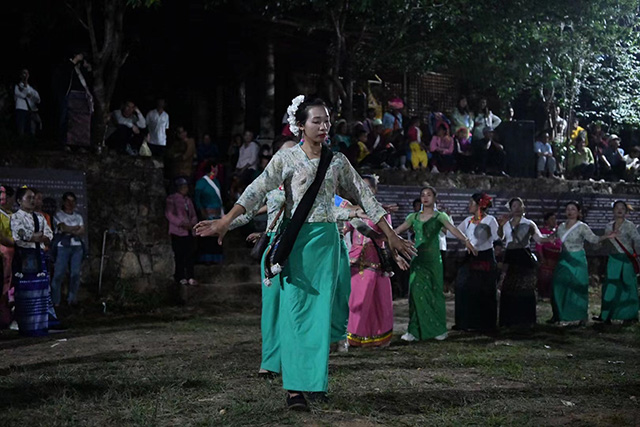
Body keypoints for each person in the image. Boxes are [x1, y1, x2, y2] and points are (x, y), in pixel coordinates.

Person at [194, 96, 415, 411]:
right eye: (316, 120)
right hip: (295, 243)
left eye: (326, 120)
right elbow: (256, 189)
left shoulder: (337, 161)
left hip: (325, 242)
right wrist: (225, 222)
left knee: (319, 315)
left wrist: (391, 234)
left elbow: (363, 194)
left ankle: (314, 383)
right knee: (296, 313)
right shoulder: (286, 159)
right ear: (300, 125)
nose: (324, 126)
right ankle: (295, 389)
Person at [395, 187, 477, 342]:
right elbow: (397, 231)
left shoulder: (440, 216)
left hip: (433, 260)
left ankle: (438, 329)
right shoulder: (413, 217)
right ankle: (414, 330)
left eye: (429, 195)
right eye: (422, 195)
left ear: (434, 198)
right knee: (415, 293)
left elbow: (452, 229)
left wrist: (466, 240)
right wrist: (385, 236)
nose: (425, 198)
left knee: (434, 292)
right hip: (417, 259)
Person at [344, 175, 395, 348]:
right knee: (354, 299)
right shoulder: (352, 210)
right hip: (354, 259)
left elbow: (389, 238)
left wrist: (396, 256)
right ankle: (352, 337)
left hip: (374, 260)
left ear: (374, 190)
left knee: (372, 299)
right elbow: (344, 229)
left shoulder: (382, 212)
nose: (364, 191)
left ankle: (375, 335)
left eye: (368, 188)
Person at [550, 201, 615, 324]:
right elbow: (553, 238)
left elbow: (593, 239)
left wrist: (605, 236)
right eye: (568, 209)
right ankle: (559, 314)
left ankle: (580, 316)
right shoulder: (561, 227)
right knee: (558, 285)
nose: (570, 211)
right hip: (564, 258)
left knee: (578, 287)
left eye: (573, 209)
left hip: (578, 258)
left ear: (578, 212)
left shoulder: (582, 226)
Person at [497, 198, 549, 328]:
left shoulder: (529, 223)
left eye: (520, 205)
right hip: (510, 256)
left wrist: (552, 238)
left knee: (525, 287)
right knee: (508, 287)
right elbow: (501, 237)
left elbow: (539, 239)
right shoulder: (507, 224)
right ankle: (509, 319)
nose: (517, 208)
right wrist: (501, 225)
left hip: (523, 256)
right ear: (510, 208)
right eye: (514, 206)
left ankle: (525, 319)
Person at [10, 187, 54, 336]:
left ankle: (40, 325)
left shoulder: (40, 217)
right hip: (24, 257)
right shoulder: (16, 217)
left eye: (34, 197)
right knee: (25, 291)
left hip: (39, 256)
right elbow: (20, 234)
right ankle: (25, 326)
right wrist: (34, 236)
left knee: (41, 291)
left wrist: (37, 237)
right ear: (19, 201)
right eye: (29, 198)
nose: (33, 201)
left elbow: (48, 235)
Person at [454, 192, 500, 331]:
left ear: (479, 205)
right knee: (464, 289)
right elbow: (453, 232)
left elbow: (498, 236)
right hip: (469, 258)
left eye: (471, 203)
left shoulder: (490, 220)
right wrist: (444, 220)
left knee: (484, 290)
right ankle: (466, 323)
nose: (469, 206)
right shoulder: (468, 220)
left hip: (485, 257)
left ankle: (484, 324)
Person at [600, 201, 640, 323]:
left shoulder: (630, 226)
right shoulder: (608, 226)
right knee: (610, 286)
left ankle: (630, 315)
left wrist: (637, 255)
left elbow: (637, 240)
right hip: (613, 259)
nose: (620, 210)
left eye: (622, 208)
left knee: (628, 286)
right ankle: (607, 314)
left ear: (626, 212)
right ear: (613, 211)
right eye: (617, 208)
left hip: (627, 259)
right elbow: (604, 242)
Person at [50, 192, 85, 307]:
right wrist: (75, 228)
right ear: (64, 202)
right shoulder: (58, 215)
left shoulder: (78, 216)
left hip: (76, 247)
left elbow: (82, 231)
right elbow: (62, 228)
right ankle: (56, 301)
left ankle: (72, 299)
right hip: (63, 247)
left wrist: (70, 229)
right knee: (59, 274)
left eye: (73, 201)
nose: (70, 204)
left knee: (75, 274)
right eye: (68, 201)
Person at [53, 51, 93, 148]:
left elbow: (89, 82)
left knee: (81, 122)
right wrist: (74, 61)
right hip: (68, 95)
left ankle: (80, 144)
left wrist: (88, 69)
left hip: (82, 97)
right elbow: (64, 75)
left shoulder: (82, 68)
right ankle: (64, 142)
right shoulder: (67, 65)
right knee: (66, 119)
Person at [165, 178, 198, 286]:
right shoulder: (172, 199)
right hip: (178, 231)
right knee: (179, 255)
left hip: (189, 231)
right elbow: (169, 214)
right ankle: (181, 277)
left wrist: (192, 223)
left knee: (189, 254)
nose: (185, 189)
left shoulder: (188, 200)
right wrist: (181, 223)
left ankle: (190, 276)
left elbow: (193, 214)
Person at [194, 161, 225, 265]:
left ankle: (217, 258)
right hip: (207, 213)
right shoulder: (201, 183)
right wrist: (202, 212)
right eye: (214, 168)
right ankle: (206, 259)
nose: (216, 171)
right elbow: (197, 199)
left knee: (217, 235)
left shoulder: (216, 182)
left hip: (217, 213)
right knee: (207, 236)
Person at [535, 211, 562, 300]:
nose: (554, 221)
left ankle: (556, 294)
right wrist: (542, 257)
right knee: (545, 276)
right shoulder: (542, 231)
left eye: (555, 219)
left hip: (558, 256)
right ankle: (544, 294)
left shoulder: (560, 231)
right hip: (547, 256)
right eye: (552, 219)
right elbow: (539, 245)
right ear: (546, 221)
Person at [14, 69, 41, 136]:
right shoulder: (17, 86)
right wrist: (27, 95)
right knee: (21, 130)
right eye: (24, 73)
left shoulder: (31, 88)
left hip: (30, 110)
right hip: (20, 109)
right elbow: (20, 94)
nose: (25, 75)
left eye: (26, 73)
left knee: (30, 130)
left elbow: (38, 99)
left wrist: (31, 96)